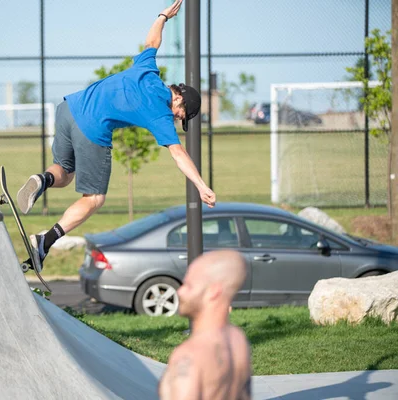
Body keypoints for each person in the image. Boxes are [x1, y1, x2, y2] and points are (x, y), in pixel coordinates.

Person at [16, 0, 215, 272]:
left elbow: (151, 42)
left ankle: (42, 179)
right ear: (178, 97)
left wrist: (161, 16)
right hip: (92, 128)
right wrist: (202, 186)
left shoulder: (147, 70)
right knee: (95, 198)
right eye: (183, 113)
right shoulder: (160, 112)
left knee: (64, 172)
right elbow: (178, 153)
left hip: (69, 108)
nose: (179, 118)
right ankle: (44, 241)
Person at [159, 250, 252, 400]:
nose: (180, 291)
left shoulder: (188, 356)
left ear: (213, 292)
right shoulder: (239, 340)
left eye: (188, 286)